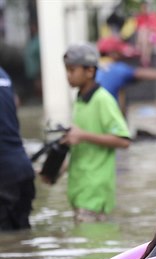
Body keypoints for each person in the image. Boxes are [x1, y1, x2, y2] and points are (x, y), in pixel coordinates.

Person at [48, 43, 131, 223]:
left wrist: (83, 135)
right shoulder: (80, 100)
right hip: (79, 189)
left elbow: (124, 140)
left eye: (72, 70)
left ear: (90, 71)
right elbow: (80, 144)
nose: (68, 75)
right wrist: (57, 170)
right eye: (67, 70)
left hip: (95, 192)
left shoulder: (103, 100)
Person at [96, 35, 156, 115]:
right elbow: (142, 73)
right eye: (119, 52)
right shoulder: (117, 68)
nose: (122, 55)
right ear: (113, 53)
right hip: (107, 115)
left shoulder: (92, 68)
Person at [0, 66, 36, 230]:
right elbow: (15, 102)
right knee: (21, 242)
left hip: (4, 179)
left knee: (7, 246)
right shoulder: (3, 74)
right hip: (22, 170)